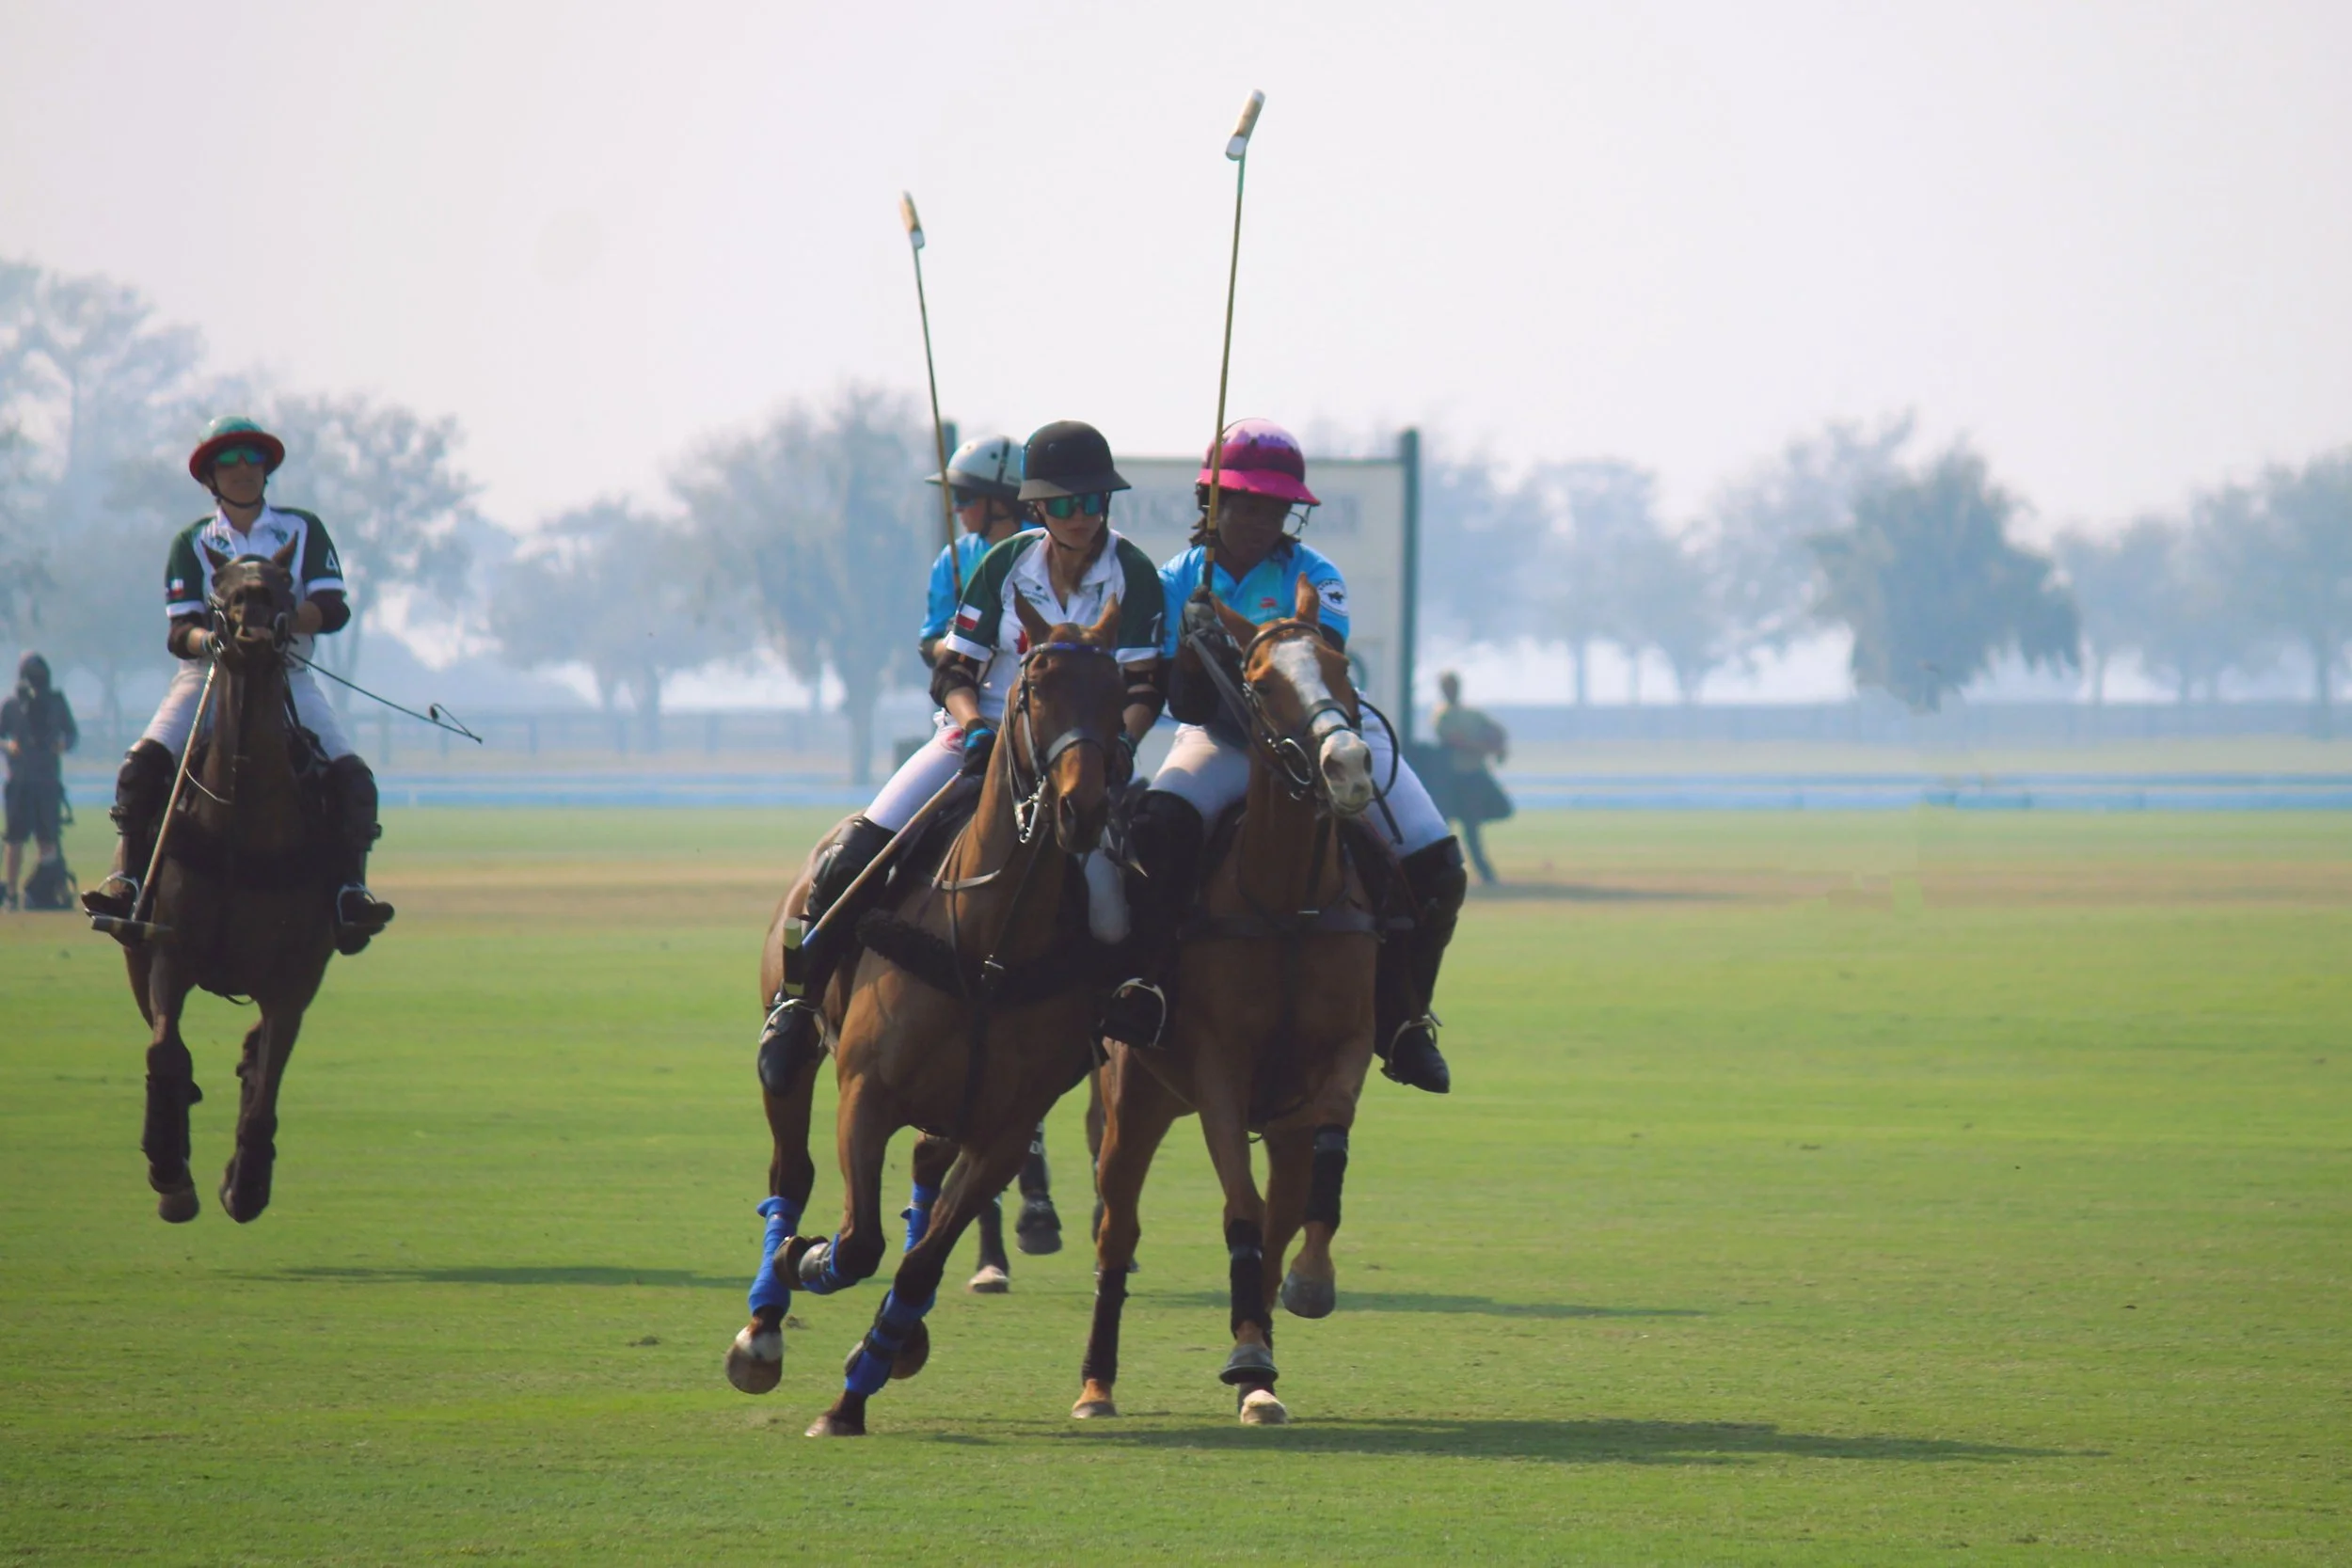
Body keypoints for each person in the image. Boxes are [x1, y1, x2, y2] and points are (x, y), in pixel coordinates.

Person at [755, 419, 1168, 1094]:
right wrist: (977, 723)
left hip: (1079, 752)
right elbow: (953, 669)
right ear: (1037, 507)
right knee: (856, 849)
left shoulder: (1135, 575)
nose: (1081, 517)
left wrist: (1117, 741)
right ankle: (797, 1005)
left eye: (1092, 501)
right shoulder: (1004, 566)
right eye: (1064, 503)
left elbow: (1147, 684)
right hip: (978, 740)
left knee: (1120, 898)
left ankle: (1118, 1005)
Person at [1122, 418, 1467, 1094]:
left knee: (1438, 866)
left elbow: (1312, 668)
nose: (1259, 517)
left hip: (1326, 732)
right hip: (1220, 741)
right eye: (1244, 503)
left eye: (1274, 506)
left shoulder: (1317, 575)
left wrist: (1232, 646)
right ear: (1212, 505)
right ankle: (1148, 988)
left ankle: (1404, 1020)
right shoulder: (1178, 579)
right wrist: (1193, 653)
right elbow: (1181, 699)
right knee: (1157, 834)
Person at [81, 416, 394, 953]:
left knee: (353, 778)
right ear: (211, 477)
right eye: (229, 461)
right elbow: (180, 630)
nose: (243, 469)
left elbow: (334, 605)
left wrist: (284, 624)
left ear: (267, 469)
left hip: (287, 672)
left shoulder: (301, 529)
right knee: (140, 766)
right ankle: (129, 881)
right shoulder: (194, 542)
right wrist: (217, 640)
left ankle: (349, 893)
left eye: (252, 458)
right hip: (208, 675)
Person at [917, 435, 1036, 669]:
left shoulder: (1045, 546)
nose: (956, 508)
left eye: (963, 497)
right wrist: (956, 643)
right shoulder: (953, 557)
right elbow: (929, 644)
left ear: (1000, 502)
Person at [2, 653, 77, 910]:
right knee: (14, 840)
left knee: (48, 838)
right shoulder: (12, 705)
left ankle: (42, 891)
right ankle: (11, 893)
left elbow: (71, 734)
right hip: (20, 780)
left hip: (47, 779)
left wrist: (62, 744)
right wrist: (7, 744)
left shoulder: (55, 703)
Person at [1432, 671, 1512, 885]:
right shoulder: (1443, 715)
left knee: (1472, 827)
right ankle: (1442, 872)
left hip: (1474, 777)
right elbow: (1456, 741)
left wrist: (1497, 745)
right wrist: (1485, 748)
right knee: (1445, 829)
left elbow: (1494, 730)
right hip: (1453, 779)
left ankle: (1485, 874)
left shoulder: (1472, 714)